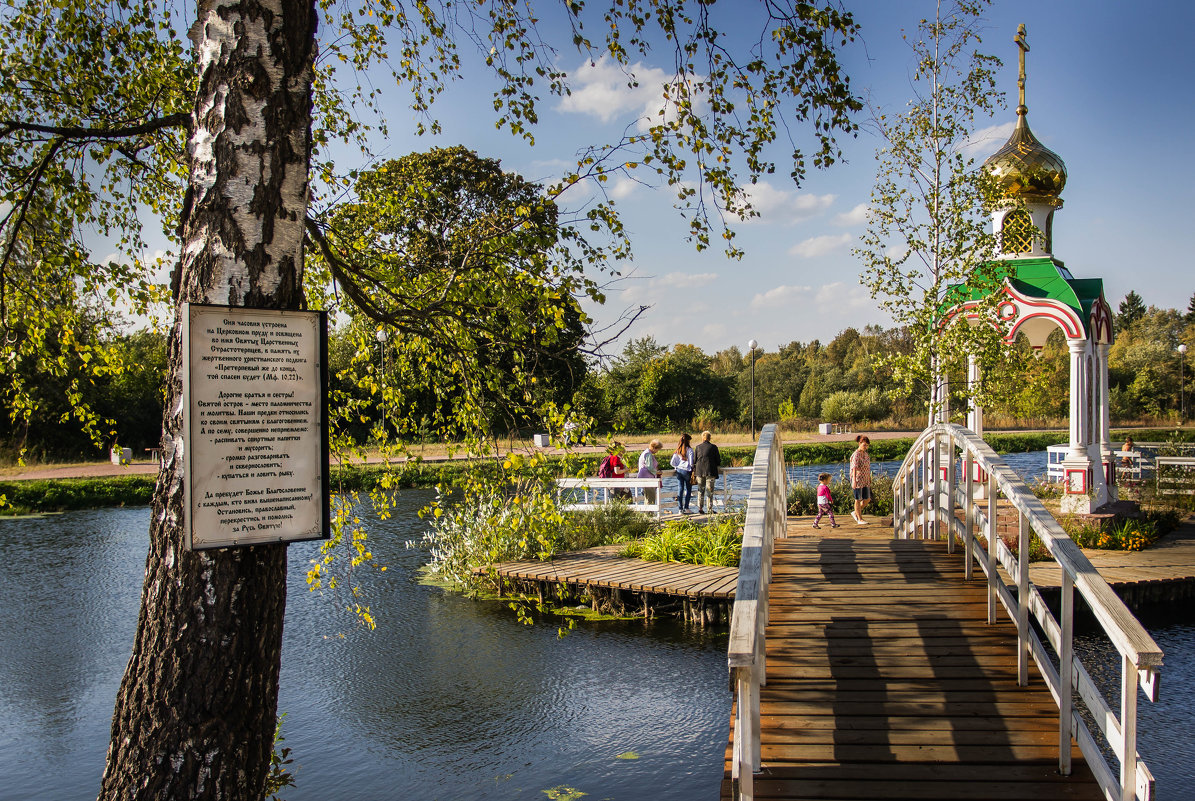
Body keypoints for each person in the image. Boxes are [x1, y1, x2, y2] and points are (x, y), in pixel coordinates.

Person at [693, 430, 721, 514]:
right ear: (710, 438)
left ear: (702, 438)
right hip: (710, 471)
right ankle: (709, 508)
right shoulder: (714, 447)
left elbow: (694, 460)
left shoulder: (698, 447)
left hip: (699, 471)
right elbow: (718, 461)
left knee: (700, 490)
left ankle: (700, 508)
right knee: (710, 490)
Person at [670, 433, 696, 514]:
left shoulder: (678, 450)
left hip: (679, 471)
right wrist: (693, 468)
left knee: (680, 489)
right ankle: (686, 507)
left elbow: (672, 462)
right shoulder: (690, 450)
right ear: (688, 441)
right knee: (688, 490)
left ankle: (680, 509)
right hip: (687, 471)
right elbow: (691, 463)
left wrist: (676, 467)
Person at [849, 434, 872, 525]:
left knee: (867, 499)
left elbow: (868, 467)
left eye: (867, 445)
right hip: (858, 479)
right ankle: (859, 518)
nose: (866, 447)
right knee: (858, 499)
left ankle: (855, 512)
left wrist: (869, 478)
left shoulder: (866, 454)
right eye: (864, 445)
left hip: (865, 478)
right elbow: (854, 468)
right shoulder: (856, 455)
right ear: (860, 443)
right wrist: (854, 480)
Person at [637, 439, 663, 505]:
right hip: (647, 479)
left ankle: (648, 514)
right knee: (650, 499)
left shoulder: (647, 453)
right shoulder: (648, 454)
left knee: (648, 498)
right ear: (654, 448)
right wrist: (657, 472)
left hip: (646, 478)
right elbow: (650, 467)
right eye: (658, 449)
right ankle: (650, 514)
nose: (658, 451)